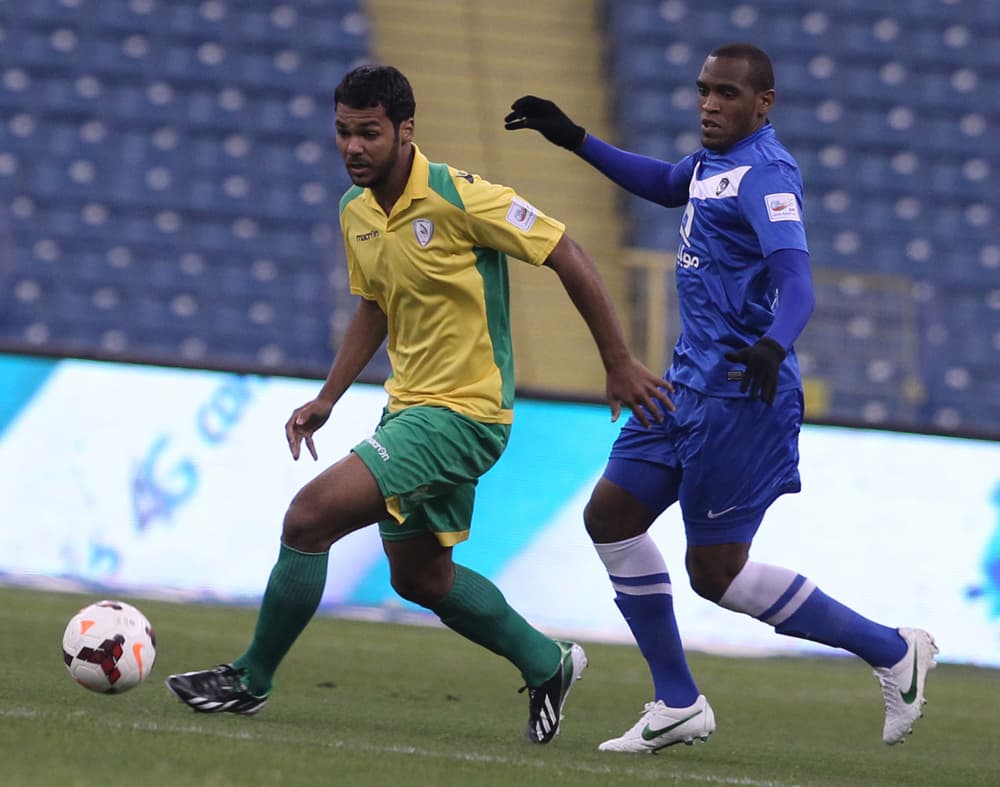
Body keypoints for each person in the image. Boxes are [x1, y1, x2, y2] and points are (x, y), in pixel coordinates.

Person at [165, 64, 672, 745]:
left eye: (368, 133)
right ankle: (545, 662)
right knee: (421, 577)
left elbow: (566, 252)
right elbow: (374, 305)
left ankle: (250, 678)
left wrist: (617, 360)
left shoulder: (463, 197)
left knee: (309, 517)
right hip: (408, 412)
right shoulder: (356, 211)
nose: (353, 147)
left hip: (466, 415)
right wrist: (328, 396)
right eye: (343, 132)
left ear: (406, 130)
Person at [504, 42, 937, 753]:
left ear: (763, 104)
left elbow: (798, 284)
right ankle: (677, 701)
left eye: (727, 93)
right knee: (610, 516)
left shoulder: (766, 174)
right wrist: (574, 137)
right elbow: (664, 182)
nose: (709, 104)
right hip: (684, 386)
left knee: (714, 574)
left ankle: (892, 649)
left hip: (742, 396)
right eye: (704, 90)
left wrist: (773, 343)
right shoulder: (711, 163)